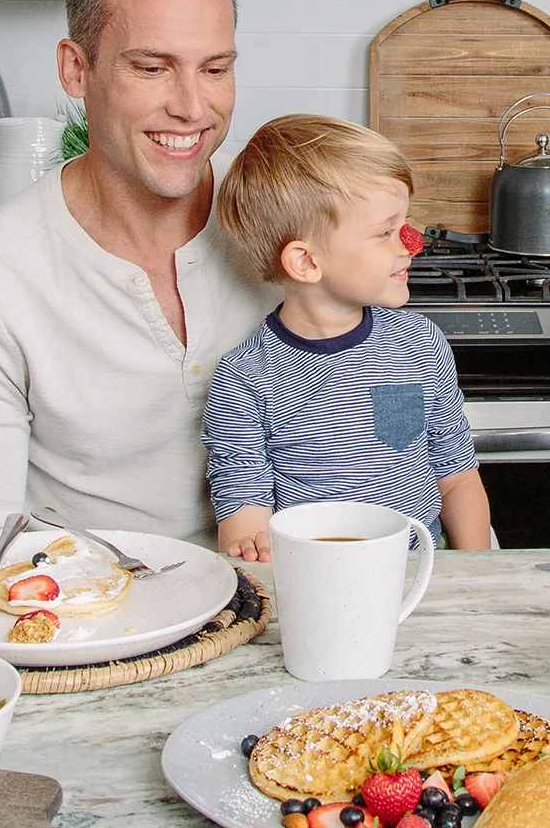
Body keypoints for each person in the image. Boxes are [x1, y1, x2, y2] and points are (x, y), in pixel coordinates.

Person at [0, 0, 277, 541]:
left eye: (215, 69)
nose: (192, 107)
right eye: (152, 68)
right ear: (76, 70)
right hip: (95, 615)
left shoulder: (283, 223)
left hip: (291, 599)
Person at [202, 114, 492, 560]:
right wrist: (251, 549)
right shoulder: (244, 379)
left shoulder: (419, 345)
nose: (411, 244)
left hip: (424, 571)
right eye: (385, 232)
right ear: (305, 262)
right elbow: (244, 513)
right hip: (314, 582)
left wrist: (475, 576)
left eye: (405, 224)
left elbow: (457, 478)